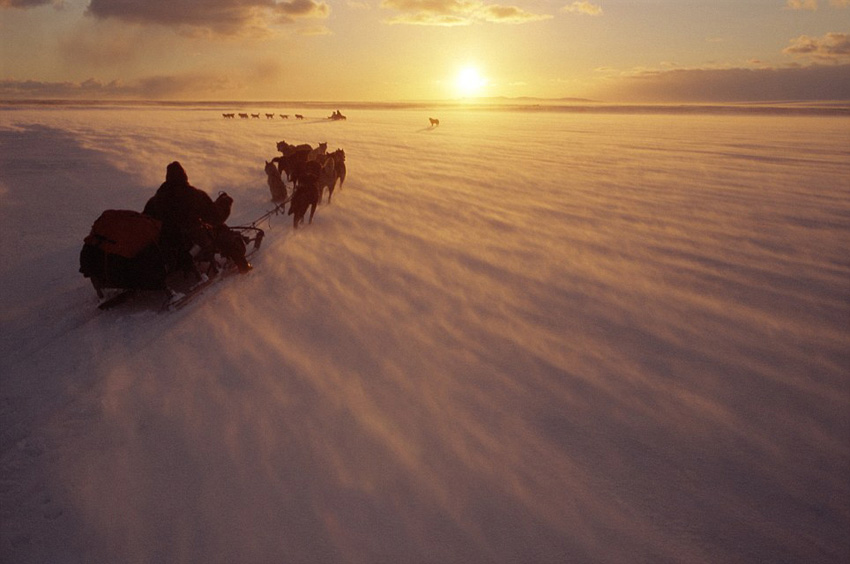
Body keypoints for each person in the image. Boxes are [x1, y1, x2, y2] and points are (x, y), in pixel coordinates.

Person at [143, 161, 252, 274]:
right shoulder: (194, 195)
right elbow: (215, 218)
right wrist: (226, 204)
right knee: (220, 229)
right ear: (184, 176)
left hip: (166, 245)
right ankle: (242, 263)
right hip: (191, 242)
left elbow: (145, 221)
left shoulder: (155, 200)